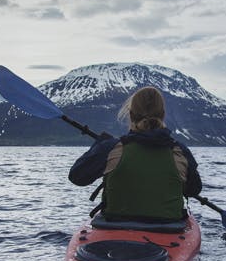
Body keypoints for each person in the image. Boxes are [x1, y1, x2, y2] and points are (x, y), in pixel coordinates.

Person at [68, 86, 202, 223]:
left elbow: (77, 177)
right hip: (169, 228)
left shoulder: (110, 148)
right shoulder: (180, 151)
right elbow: (194, 190)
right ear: (162, 114)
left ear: (131, 115)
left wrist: (100, 145)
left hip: (115, 226)